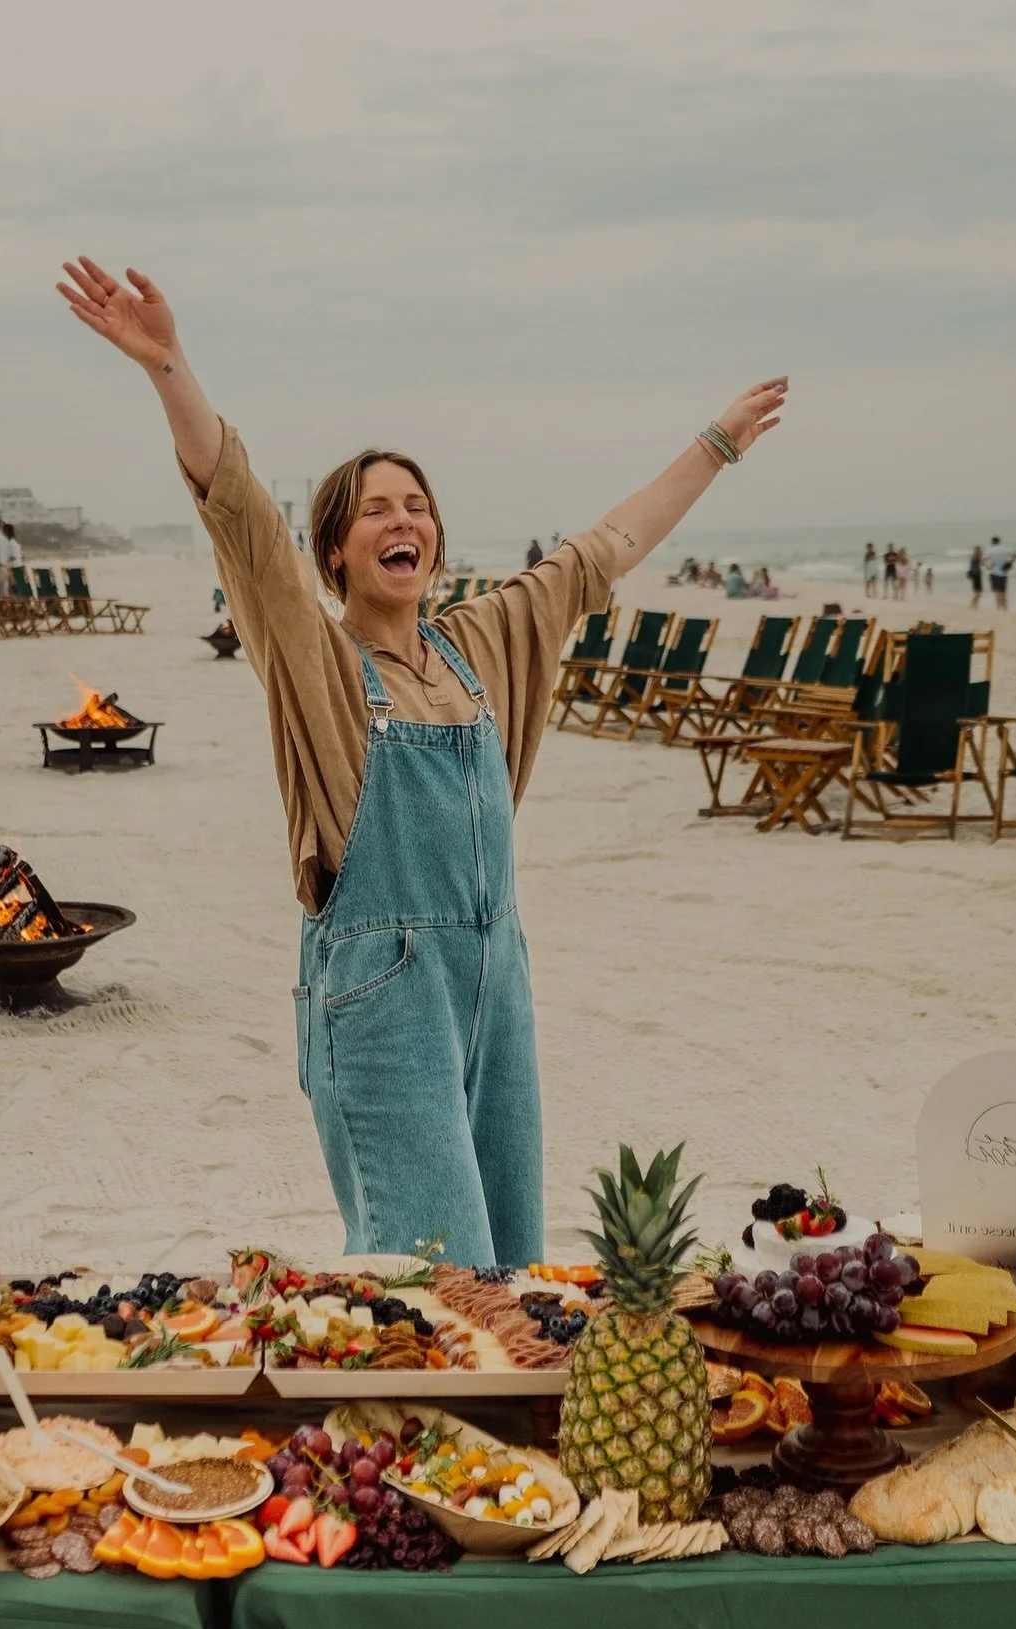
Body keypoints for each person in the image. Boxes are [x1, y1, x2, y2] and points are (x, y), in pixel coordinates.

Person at [59, 253, 787, 1261]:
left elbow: (606, 547)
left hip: (498, 977)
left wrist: (717, 445)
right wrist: (168, 363)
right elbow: (242, 519)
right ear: (336, 554)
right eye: (375, 510)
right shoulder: (315, 659)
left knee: (515, 1262)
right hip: (383, 992)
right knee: (433, 1272)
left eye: (418, 505)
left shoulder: (484, 642)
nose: (405, 520)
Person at [985, 536, 1015, 610]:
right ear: (999, 542)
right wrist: (1009, 563)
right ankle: (1005, 609)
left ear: (992, 542)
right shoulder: (1005, 549)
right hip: (1003, 573)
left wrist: (988, 567)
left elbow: (983, 560)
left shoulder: (991, 550)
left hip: (994, 573)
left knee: (997, 593)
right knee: (1004, 593)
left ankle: (998, 609)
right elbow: (1015, 555)